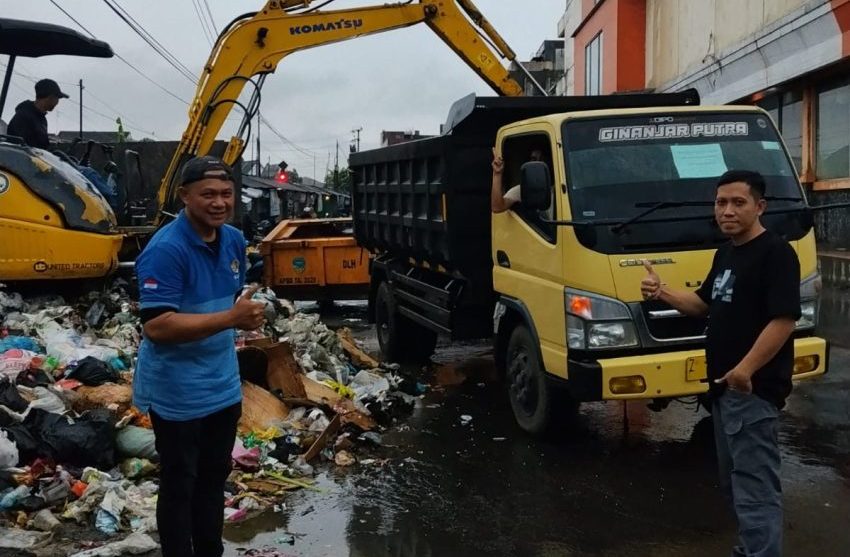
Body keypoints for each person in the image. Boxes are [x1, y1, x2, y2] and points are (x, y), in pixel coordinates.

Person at [641, 169, 800, 557]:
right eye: (721, 202)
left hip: (752, 391)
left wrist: (746, 369)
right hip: (724, 390)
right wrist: (661, 291)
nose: (727, 211)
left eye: (738, 202)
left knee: (755, 490)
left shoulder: (776, 253)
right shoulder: (726, 254)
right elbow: (702, 304)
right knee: (735, 485)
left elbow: (783, 320)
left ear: (760, 206)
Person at [133, 155, 266, 557]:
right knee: (180, 484)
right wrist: (232, 318)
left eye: (226, 193)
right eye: (208, 194)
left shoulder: (234, 240)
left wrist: (238, 312)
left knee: (213, 479)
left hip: (222, 386)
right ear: (184, 196)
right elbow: (157, 326)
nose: (219, 202)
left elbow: (228, 298)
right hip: (177, 392)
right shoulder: (166, 249)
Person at [6, 79, 68, 150]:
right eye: (57, 98)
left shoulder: (41, 119)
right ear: (50, 97)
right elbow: (21, 148)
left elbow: (42, 147)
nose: (57, 103)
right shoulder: (23, 117)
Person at [491, 148, 544, 213]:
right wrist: (497, 174)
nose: (538, 164)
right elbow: (497, 207)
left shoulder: (554, 189)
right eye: (534, 159)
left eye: (541, 160)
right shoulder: (522, 190)